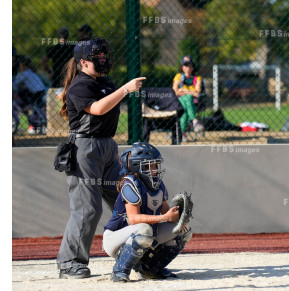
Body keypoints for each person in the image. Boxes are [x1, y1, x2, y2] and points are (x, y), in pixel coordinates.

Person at [56, 37, 146, 279]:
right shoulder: (79, 85)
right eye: (98, 58)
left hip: (107, 146)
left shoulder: (104, 82)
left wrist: (119, 89)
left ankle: (136, 256)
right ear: (83, 62)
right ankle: (69, 262)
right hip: (85, 148)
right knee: (88, 209)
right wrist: (125, 89)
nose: (104, 60)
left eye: (105, 56)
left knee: (128, 200)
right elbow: (97, 109)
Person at [103, 142, 192, 282]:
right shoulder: (130, 183)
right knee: (144, 229)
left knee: (183, 232)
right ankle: (119, 270)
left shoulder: (158, 184)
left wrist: (179, 218)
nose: (154, 169)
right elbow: (133, 219)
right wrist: (164, 217)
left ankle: (150, 269)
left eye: (155, 165)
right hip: (115, 237)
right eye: (149, 166)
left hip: (143, 233)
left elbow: (167, 215)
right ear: (136, 167)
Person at [13, 56, 48, 134]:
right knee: (38, 109)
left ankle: (38, 124)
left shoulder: (25, 73)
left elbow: (15, 83)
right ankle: (39, 124)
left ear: (24, 66)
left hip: (37, 93)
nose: (20, 67)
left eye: (20, 66)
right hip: (41, 91)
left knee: (36, 109)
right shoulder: (31, 72)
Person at [172, 55, 204, 140]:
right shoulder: (178, 76)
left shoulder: (197, 78)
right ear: (182, 67)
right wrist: (191, 92)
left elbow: (197, 93)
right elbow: (175, 91)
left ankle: (182, 133)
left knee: (185, 109)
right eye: (185, 65)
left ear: (193, 67)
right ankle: (194, 120)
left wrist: (183, 90)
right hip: (180, 100)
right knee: (189, 97)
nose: (188, 67)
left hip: (194, 102)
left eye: (190, 65)